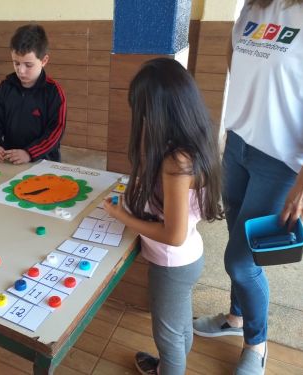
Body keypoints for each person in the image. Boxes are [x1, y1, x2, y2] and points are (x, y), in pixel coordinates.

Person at [193, 1, 303, 373]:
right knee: (235, 240)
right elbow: (236, 65)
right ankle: (236, 318)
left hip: (283, 160)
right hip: (238, 145)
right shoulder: (250, 9)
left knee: (242, 262)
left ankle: (257, 345)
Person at [103, 58, 223, 375]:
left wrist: (120, 214)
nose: (139, 121)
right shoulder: (191, 143)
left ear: (157, 113)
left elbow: (173, 234)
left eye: (141, 111)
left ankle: (168, 368)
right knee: (180, 326)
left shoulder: (176, 161)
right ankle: (168, 365)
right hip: (188, 258)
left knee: (167, 337)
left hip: (171, 262)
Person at [0, 24, 66, 165]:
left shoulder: (53, 92)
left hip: (44, 161)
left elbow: (55, 131)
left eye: (28, 65)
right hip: (10, 159)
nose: (21, 71)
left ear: (44, 61)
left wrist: (29, 153)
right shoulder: (4, 88)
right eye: (16, 63)